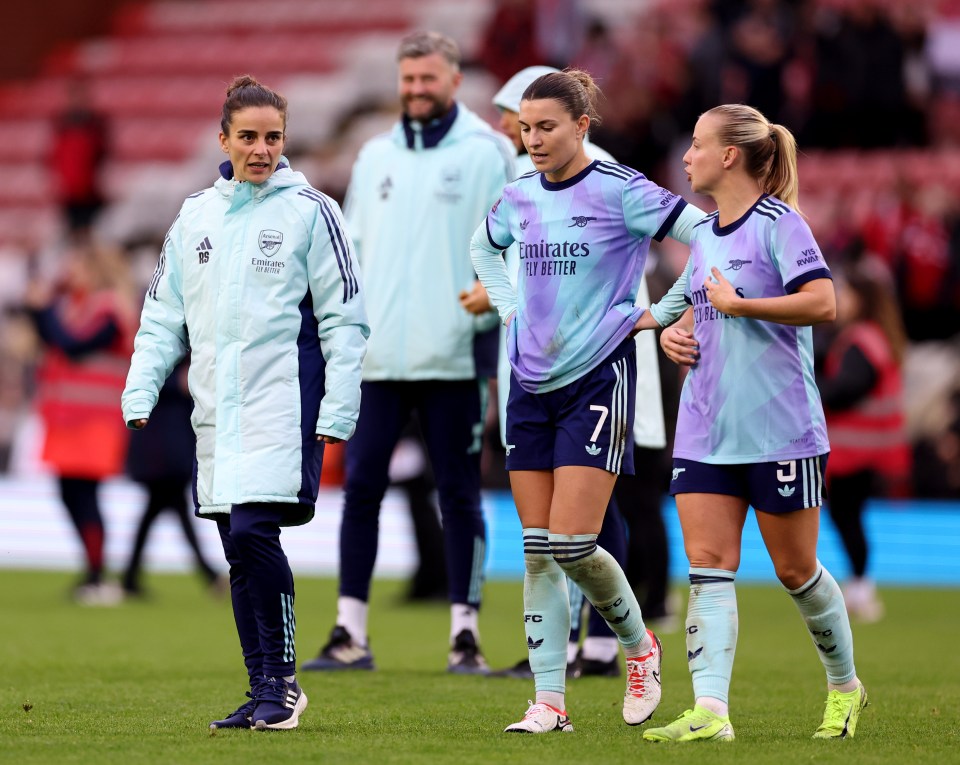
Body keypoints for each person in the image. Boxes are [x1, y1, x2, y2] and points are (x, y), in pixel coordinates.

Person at [121, 75, 368, 732]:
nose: (262, 148)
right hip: (215, 411)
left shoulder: (312, 212)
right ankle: (262, 685)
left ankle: (283, 683)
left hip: (284, 406)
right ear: (223, 137)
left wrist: (340, 405)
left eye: (274, 137)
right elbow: (161, 315)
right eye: (250, 136)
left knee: (257, 533)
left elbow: (346, 318)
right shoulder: (194, 216)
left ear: (286, 141)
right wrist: (141, 388)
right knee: (236, 543)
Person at [470, 69, 706, 733]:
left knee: (574, 543)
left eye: (547, 126)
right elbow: (483, 248)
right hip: (527, 385)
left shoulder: (622, 190)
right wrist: (510, 308)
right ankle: (549, 702)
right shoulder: (517, 197)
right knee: (538, 548)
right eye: (525, 126)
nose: (533, 138)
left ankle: (639, 645)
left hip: (596, 382)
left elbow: (708, 234)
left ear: (582, 126)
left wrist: (662, 312)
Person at [637, 103, 868, 743]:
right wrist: (668, 337)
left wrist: (742, 305)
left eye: (696, 144)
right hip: (706, 427)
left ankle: (846, 688)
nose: (686, 156)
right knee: (707, 565)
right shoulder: (706, 232)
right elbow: (680, 305)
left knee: (796, 571)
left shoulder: (781, 224)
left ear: (730, 155)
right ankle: (711, 713)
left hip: (778, 428)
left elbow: (823, 300)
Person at [300, 31, 515, 675]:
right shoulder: (374, 155)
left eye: (429, 79)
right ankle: (349, 632)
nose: (417, 89)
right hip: (379, 358)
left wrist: (495, 292)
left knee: (459, 495)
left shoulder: (491, 152)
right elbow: (353, 252)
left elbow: (519, 241)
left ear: (454, 81)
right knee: (361, 488)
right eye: (409, 79)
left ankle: (465, 635)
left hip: (456, 354)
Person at [26, 241, 136, 605]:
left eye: (75, 265)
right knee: (69, 492)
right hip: (67, 418)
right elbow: (52, 340)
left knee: (86, 495)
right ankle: (94, 571)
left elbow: (73, 346)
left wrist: (41, 311)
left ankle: (97, 575)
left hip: (95, 421)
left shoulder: (109, 309)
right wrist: (39, 312)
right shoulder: (74, 306)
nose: (67, 272)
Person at [818, 261, 911, 622]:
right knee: (848, 516)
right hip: (867, 449)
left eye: (845, 292)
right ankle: (859, 586)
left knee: (847, 516)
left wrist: (809, 389)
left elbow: (845, 390)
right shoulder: (869, 338)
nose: (839, 299)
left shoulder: (862, 342)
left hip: (855, 452)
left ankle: (861, 589)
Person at [122, 358, 224, 598]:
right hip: (166, 454)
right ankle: (210, 576)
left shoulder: (175, 365)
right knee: (170, 513)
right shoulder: (169, 370)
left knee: (157, 514)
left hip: (166, 453)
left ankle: (130, 578)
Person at [48, 78, 109, 237]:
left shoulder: (96, 124)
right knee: (73, 235)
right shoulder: (61, 124)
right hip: (70, 192)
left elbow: (104, 156)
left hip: (91, 192)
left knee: (92, 234)